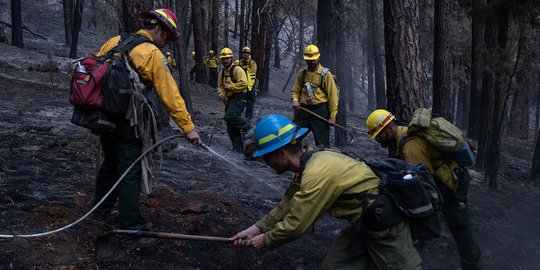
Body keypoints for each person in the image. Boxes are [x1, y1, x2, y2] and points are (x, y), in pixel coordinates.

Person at [232, 114, 422, 270]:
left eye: (267, 157)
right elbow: (287, 206)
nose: (267, 163)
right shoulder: (309, 162)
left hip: (386, 228)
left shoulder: (316, 173)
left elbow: (296, 224)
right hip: (363, 224)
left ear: (281, 154)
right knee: (334, 266)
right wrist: (254, 229)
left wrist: (265, 240)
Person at [93, 8, 202, 249]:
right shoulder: (152, 53)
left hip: (104, 116)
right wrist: (188, 127)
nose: (167, 44)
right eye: (168, 38)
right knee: (129, 171)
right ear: (159, 29)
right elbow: (169, 93)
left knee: (110, 165)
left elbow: (94, 69)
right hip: (128, 121)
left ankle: (98, 213)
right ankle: (131, 231)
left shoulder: (115, 41)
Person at [365, 109, 483, 270]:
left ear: (390, 128)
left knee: (460, 226)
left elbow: (424, 183)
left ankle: (474, 266)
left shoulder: (410, 147)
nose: (378, 140)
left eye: (379, 134)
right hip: (447, 177)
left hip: (453, 181)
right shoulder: (405, 135)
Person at [291, 44, 338, 148]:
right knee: (292, 137)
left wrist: (332, 116)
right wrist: (295, 100)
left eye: (313, 60)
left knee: (323, 144)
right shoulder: (302, 74)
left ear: (318, 58)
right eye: (309, 60)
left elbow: (333, 97)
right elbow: (295, 91)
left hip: (320, 111)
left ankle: (324, 161)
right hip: (303, 110)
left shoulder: (326, 75)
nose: (311, 62)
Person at [217, 47, 252, 153]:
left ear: (231, 58)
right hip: (229, 100)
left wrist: (230, 87)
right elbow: (220, 86)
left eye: (227, 58)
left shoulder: (237, 69)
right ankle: (237, 148)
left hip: (240, 98)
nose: (225, 60)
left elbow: (244, 84)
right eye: (223, 59)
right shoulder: (222, 73)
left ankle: (249, 127)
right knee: (230, 127)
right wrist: (221, 94)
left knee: (230, 116)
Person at [238, 46, 258, 121]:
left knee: (250, 102)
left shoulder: (252, 63)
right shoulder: (240, 62)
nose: (245, 54)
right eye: (244, 53)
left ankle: (248, 118)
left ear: (249, 54)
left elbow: (251, 73)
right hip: (242, 85)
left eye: (247, 53)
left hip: (250, 86)